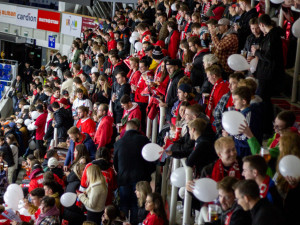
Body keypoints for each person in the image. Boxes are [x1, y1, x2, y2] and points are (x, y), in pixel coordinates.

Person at [113, 120, 156, 224]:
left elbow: (115, 163)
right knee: (138, 206)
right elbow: (150, 160)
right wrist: (149, 174)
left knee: (124, 205)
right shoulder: (144, 140)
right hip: (141, 179)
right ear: (137, 128)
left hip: (124, 179)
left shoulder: (119, 142)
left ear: (126, 129)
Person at [253, 14, 285, 135]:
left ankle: (267, 128)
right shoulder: (271, 36)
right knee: (264, 100)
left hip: (268, 74)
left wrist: (257, 52)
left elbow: (269, 57)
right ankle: (267, 127)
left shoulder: (272, 37)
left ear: (261, 25)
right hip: (266, 73)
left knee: (263, 100)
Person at [214, 72, 245, 137]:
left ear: (240, 84)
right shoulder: (225, 97)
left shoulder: (244, 101)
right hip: (222, 133)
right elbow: (217, 115)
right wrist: (221, 133)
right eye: (229, 83)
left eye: (233, 83)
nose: (229, 86)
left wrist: (230, 136)